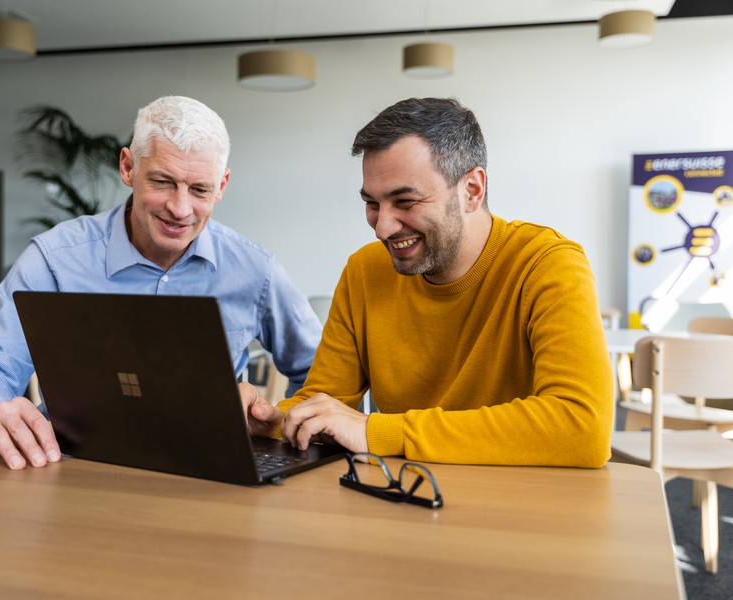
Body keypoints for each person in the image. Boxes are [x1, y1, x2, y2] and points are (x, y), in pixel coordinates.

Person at [0, 96, 322, 470]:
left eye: (199, 189)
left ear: (221, 186)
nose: (180, 208)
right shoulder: (55, 259)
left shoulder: (256, 270)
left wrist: (277, 424)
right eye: (163, 182)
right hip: (75, 468)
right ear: (127, 167)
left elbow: (321, 377)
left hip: (213, 474)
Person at [242, 97, 613, 468]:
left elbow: (582, 427)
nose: (382, 228)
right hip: (407, 489)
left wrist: (380, 432)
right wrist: (273, 421)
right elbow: (326, 402)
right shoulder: (364, 271)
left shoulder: (548, 265)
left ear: (471, 190)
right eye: (372, 203)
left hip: (518, 497)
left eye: (405, 201)